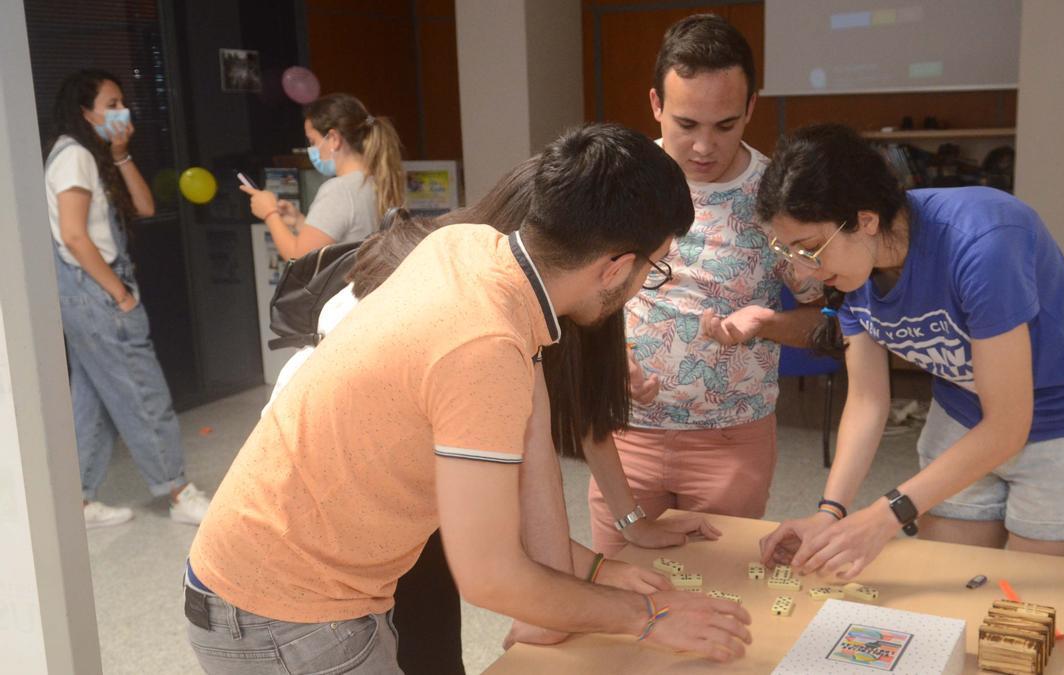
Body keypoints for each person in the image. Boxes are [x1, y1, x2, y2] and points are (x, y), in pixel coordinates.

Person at [184, 124, 753, 673]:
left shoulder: (474, 249)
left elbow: (533, 456)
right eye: (651, 271)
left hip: (284, 581)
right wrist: (648, 617)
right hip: (282, 611)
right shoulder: (484, 345)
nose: (641, 288)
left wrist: (590, 573)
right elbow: (489, 575)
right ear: (615, 267)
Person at [757, 124, 1064, 580]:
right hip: (964, 411)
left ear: (867, 220)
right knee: (954, 582)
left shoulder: (982, 243)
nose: (804, 271)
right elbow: (867, 399)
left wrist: (883, 516)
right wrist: (829, 513)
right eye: (790, 251)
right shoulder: (851, 270)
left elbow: (1008, 425)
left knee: (1027, 604)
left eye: (811, 249)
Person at [588, 14, 821, 556]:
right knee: (618, 593)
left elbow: (828, 325)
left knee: (716, 600)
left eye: (725, 125)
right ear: (655, 105)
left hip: (730, 444)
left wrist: (767, 323)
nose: (702, 147)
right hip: (622, 434)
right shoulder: (614, 182)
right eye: (686, 124)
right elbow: (575, 296)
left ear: (751, 109)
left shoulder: (778, 197)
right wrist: (603, 358)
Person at [43, 69, 210, 528]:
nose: (122, 111)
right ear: (85, 112)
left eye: (122, 103)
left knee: (91, 399)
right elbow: (76, 236)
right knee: (143, 391)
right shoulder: (73, 157)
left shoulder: (88, 157)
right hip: (96, 291)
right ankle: (178, 492)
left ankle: (75, 501)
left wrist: (120, 154)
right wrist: (118, 293)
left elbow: (145, 206)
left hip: (85, 294)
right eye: (111, 104)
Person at [240, 93, 406, 260]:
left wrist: (270, 214)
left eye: (312, 141)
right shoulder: (379, 181)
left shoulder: (339, 190)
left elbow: (299, 259)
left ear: (334, 139)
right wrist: (300, 222)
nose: (311, 150)